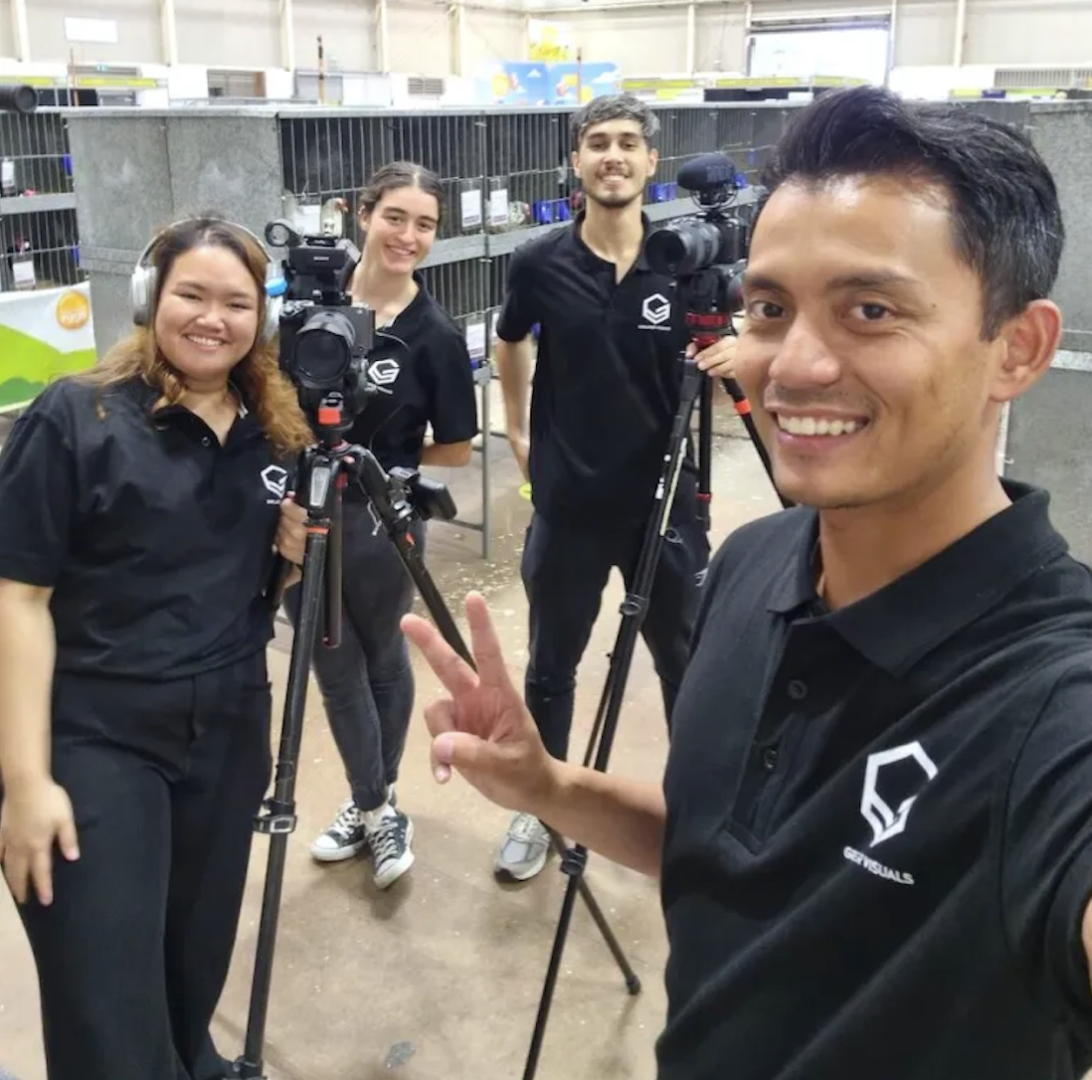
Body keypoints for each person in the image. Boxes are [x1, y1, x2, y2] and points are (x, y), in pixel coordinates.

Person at [402, 86, 1092, 1079]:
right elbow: (717, 851)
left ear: (1017, 348)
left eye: (870, 310)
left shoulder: (1053, 701)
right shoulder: (755, 561)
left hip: (658, 512)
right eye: (770, 309)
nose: (794, 365)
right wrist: (549, 788)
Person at [0, 216, 313, 1080]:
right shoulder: (77, 415)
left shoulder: (274, 431)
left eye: (236, 303)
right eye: (192, 295)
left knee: (188, 974)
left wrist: (290, 557)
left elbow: (247, 588)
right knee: (108, 1014)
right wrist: (25, 783)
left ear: (261, 317)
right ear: (150, 298)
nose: (213, 318)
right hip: (97, 734)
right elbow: (17, 599)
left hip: (228, 727)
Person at [493, 93, 737, 882]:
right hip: (567, 504)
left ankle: (693, 811)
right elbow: (509, 340)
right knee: (550, 667)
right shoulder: (540, 262)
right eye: (598, 142)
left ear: (650, 161)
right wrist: (518, 432)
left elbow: (747, 337)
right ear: (576, 160)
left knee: (683, 663)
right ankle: (543, 810)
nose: (613, 156)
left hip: (664, 505)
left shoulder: (687, 263)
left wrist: (743, 354)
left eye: (628, 142)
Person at [284, 161, 478, 889]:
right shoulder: (306, 307)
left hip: (379, 514)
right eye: (395, 216)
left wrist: (379, 460)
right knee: (331, 662)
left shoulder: (434, 334)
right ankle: (373, 805)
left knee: (383, 656)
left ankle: (376, 798)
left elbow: (456, 447)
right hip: (299, 512)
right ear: (363, 215)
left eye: (425, 224)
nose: (408, 235)